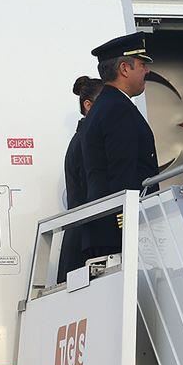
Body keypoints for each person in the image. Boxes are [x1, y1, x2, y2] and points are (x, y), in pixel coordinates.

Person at [80, 32, 160, 259]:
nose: (147, 71)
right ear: (124, 68)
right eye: (142, 65)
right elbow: (122, 173)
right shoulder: (118, 109)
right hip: (119, 232)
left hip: (107, 228)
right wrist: (131, 224)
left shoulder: (104, 106)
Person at [57, 76, 103, 283]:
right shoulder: (86, 143)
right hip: (86, 245)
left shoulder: (84, 140)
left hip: (85, 240)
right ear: (88, 106)